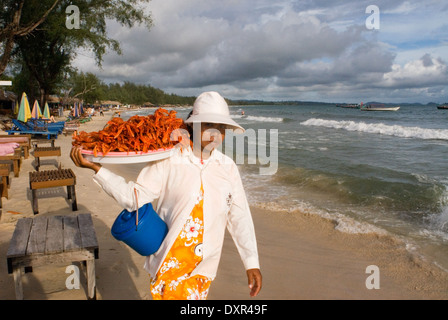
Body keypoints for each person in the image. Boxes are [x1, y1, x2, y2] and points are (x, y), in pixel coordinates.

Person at [70, 91, 262, 300]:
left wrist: (251, 262)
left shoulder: (228, 168)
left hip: (202, 271)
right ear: (192, 126)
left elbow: (239, 215)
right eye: (208, 126)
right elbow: (134, 197)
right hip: (169, 267)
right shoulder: (169, 160)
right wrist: (98, 170)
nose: (215, 135)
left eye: (222, 128)